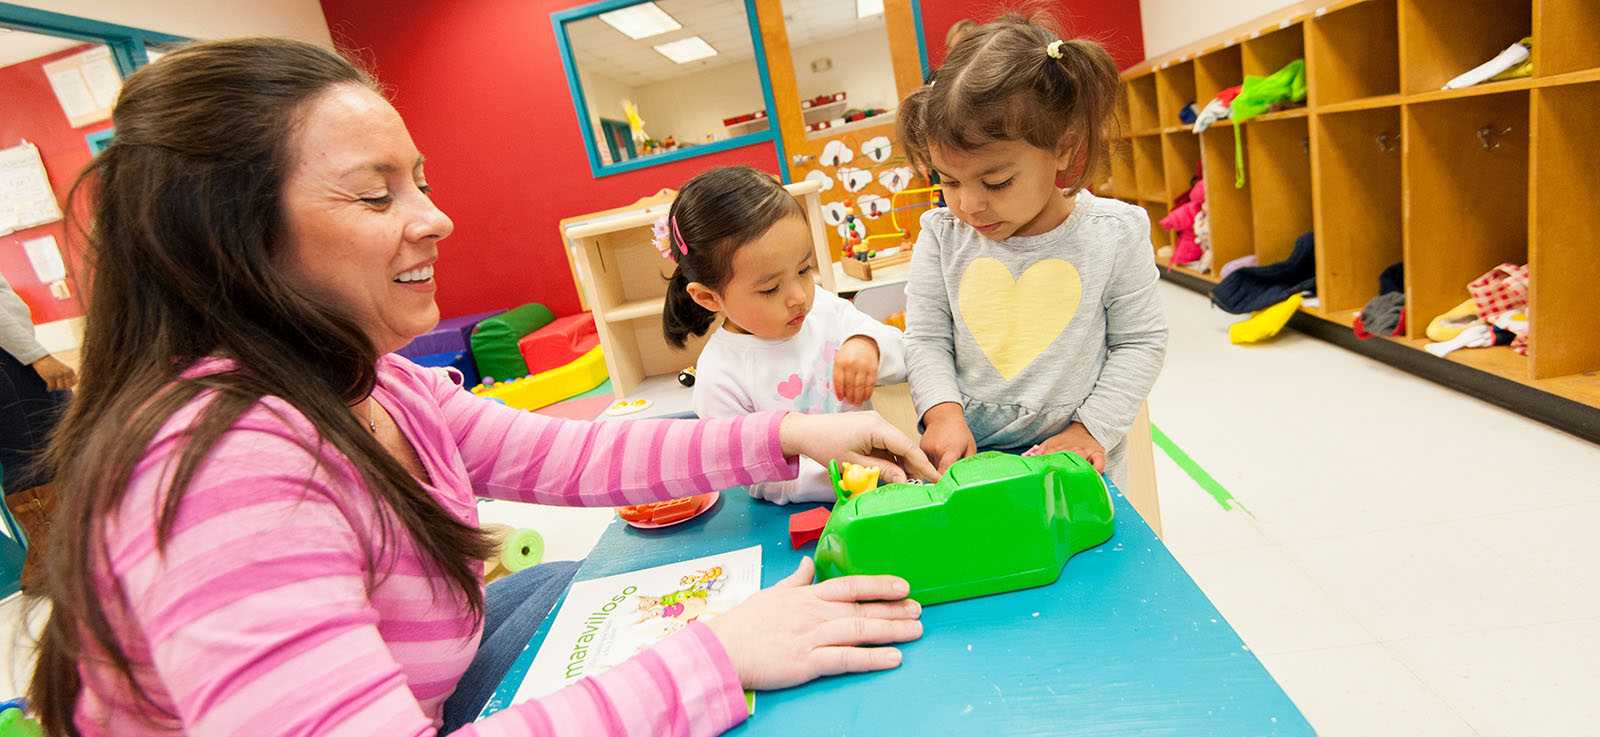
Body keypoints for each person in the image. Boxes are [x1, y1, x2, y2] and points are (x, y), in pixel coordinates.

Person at [28, 38, 936, 737]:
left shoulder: (376, 380)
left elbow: (571, 453)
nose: (437, 218)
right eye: (376, 195)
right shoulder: (224, 463)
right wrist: (717, 658)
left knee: (578, 582)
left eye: (419, 182)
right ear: (235, 239)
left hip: (436, 679)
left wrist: (789, 435)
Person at [898, 13, 1168, 483]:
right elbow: (926, 338)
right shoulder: (942, 236)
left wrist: (1090, 429)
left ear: (1063, 148)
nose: (969, 204)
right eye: (949, 181)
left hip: (1074, 458)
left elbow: (1140, 342)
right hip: (970, 459)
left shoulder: (1114, 233)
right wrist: (942, 413)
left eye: (997, 181)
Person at [661, 166, 907, 504]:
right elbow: (754, 478)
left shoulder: (823, 309)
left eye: (804, 270)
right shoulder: (719, 376)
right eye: (770, 288)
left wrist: (868, 344)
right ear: (708, 297)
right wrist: (842, 477)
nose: (799, 297)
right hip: (815, 510)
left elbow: (905, 356)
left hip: (885, 492)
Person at [1, 270, 75, 566]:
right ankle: (55, 567)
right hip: (11, 364)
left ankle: (59, 563)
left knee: (40, 456)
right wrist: (37, 356)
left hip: (13, 360)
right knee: (36, 460)